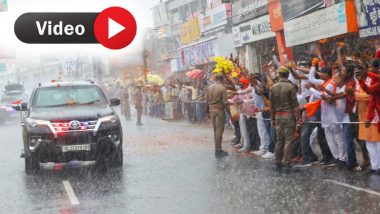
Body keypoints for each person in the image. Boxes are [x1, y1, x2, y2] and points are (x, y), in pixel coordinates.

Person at [269, 67, 301, 173]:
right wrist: (299, 118)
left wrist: (272, 118)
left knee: (279, 140)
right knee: (288, 141)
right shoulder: (290, 87)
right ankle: (287, 164)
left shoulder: (273, 87)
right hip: (288, 116)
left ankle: (278, 163)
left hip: (278, 116)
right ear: (287, 75)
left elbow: (271, 106)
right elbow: (295, 105)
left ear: (279, 75)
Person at [206, 73, 229, 157]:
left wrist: (207, 112)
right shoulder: (222, 88)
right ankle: (218, 150)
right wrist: (230, 113)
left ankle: (217, 149)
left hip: (212, 111)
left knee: (215, 130)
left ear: (215, 79)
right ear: (222, 79)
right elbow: (225, 102)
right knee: (219, 131)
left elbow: (206, 101)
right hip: (219, 111)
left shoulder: (209, 87)